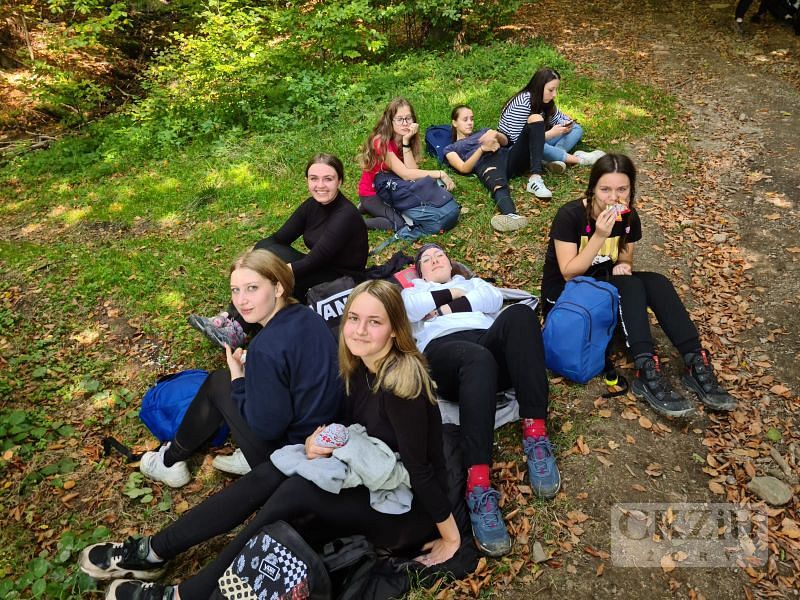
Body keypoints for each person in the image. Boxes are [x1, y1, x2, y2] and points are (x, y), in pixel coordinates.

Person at [79, 280, 460, 600]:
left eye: (374, 322)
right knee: (272, 471)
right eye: (354, 318)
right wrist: (317, 442)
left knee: (296, 491)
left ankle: (184, 595)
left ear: (395, 329)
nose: (359, 330)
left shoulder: (402, 386)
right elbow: (349, 426)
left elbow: (422, 471)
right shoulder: (360, 365)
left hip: (406, 510)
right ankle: (155, 551)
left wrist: (450, 539)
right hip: (367, 475)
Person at [540, 153, 738, 418]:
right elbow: (568, 273)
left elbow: (625, 259)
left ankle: (695, 361)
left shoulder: (628, 216)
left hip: (600, 284)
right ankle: (645, 369)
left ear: (631, 189)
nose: (613, 197)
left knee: (657, 282)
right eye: (605, 190)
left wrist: (624, 265)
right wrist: (599, 235)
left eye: (622, 189)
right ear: (593, 188)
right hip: (565, 298)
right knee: (630, 287)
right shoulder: (571, 215)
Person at [402, 244, 559, 558]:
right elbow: (412, 310)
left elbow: (493, 299)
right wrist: (456, 296)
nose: (435, 260)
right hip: (444, 355)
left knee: (520, 315)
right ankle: (477, 485)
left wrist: (444, 308)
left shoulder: (474, 283)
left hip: (486, 345)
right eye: (427, 260)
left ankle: (536, 436)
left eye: (440, 256)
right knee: (475, 358)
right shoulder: (412, 292)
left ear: (452, 264)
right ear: (419, 273)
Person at [139, 248, 343, 486]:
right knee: (226, 380)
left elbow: (268, 428)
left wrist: (239, 380)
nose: (241, 300)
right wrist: (258, 371)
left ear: (278, 288)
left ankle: (169, 462)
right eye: (235, 290)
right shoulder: (307, 315)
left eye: (252, 288)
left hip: (294, 453)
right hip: (326, 430)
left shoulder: (264, 348)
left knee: (219, 382)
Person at [189, 153, 368, 348]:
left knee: (269, 275)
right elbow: (278, 238)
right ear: (307, 180)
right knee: (266, 249)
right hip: (319, 268)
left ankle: (237, 329)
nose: (320, 185)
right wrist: (252, 257)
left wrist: (273, 272)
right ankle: (228, 317)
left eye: (328, 179)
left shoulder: (345, 215)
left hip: (341, 279)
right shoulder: (312, 206)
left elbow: (315, 260)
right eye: (314, 178)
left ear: (339, 181)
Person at [357, 97, 455, 231]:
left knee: (413, 206)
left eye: (408, 118)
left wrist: (406, 141)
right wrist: (439, 173)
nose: (405, 123)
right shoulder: (380, 142)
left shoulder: (406, 138)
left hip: (392, 187)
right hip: (372, 193)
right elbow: (406, 174)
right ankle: (357, 221)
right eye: (399, 119)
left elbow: (412, 171)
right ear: (390, 121)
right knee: (399, 223)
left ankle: (369, 208)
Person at [498, 67, 604, 186]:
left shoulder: (545, 101)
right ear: (539, 87)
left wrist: (566, 125)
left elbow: (560, 118)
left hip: (540, 140)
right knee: (541, 147)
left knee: (576, 128)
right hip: (515, 150)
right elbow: (518, 141)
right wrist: (551, 134)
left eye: (556, 90)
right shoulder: (523, 102)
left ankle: (554, 157)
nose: (554, 94)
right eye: (551, 90)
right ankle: (579, 160)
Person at [443, 105, 528, 233]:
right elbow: (463, 168)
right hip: (487, 163)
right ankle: (511, 215)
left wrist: (496, 134)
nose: (470, 123)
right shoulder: (451, 148)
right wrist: (482, 149)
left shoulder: (483, 131)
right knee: (497, 183)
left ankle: (541, 168)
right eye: (465, 119)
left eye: (472, 119)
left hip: (507, 156)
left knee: (532, 123)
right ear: (454, 123)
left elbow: (506, 142)